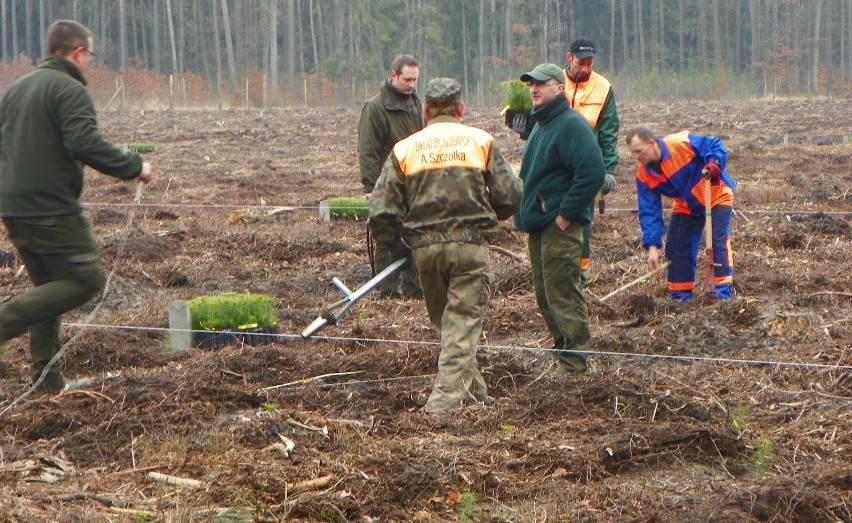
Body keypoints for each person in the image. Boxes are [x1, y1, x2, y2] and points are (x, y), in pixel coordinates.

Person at [0, 19, 154, 394]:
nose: (89, 62)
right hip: (50, 206)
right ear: (78, 52)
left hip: (14, 206)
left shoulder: (15, 90)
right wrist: (135, 166)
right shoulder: (69, 89)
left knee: (48, 290)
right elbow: (84, 142)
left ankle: (46, 381)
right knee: (84, 280)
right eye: (90, 54)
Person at [369, 78, 522, 414]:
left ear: (425, 112)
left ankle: (478, 395)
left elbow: (381, 211)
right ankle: (441, 407)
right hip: (470, 249)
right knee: (461, 324)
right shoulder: (481, 141)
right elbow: (510, 195)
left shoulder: (405, 149)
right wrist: (487, 218)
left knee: (451, 326)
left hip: (425, 253)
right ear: (461, 109)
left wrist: (400, 246)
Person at [513, 64, 605, 373]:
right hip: (540, 225)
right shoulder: (541, 125)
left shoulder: (571, 125)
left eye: (541, 84)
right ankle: (562, 355)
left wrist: (566, 214)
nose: (534, 89)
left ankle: (573, 364)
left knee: (563, 294)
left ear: (559, 88)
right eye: (531, 85)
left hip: (558, 227)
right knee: (545, 296)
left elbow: (593, 173)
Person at [625, 125, 735, 300]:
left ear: (652, 143)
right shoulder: (644, 175)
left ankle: (723, 295)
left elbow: (715, 145)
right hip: (686, 204)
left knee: (717, 242)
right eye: (633, 153)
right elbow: (649, 210)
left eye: (639, 151)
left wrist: (714, 163)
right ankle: (680, 298)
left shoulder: (680, 144)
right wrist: (652, 247)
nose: (637, 157)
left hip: (715, 194)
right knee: (676, 246)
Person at [358, 54, 424, 298]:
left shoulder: (415, 104)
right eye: (407, 79)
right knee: (387, 237)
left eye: (415, 80)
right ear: (393, 75)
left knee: (415, 233)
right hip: (387, 185)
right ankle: (387, 291)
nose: (412, 85)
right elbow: (368, 150)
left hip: (414, 183)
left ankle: (414, 289)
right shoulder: (375, 108)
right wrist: (371, 187)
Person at [562, 38, 619, 284]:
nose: (585, 68)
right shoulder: (554, 81)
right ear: (569, 58)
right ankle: (551, 273)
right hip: (556, 165)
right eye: (581, 62)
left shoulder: (603, 87)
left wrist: (606, 171)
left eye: (590, 63)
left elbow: (608, 133)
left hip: (585, 167)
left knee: (582, 221)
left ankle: (579, 276)